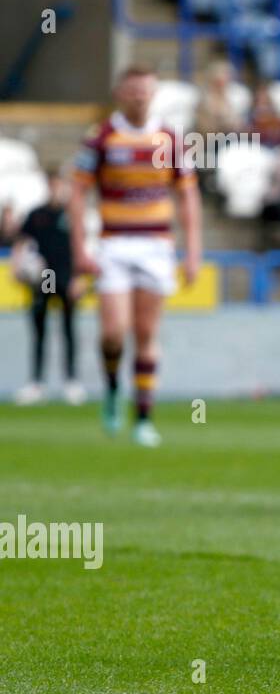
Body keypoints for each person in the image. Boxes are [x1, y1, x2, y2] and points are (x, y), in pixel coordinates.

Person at [68, 65, 202, 448]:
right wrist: (81, 248)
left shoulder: (170, 139)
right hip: (114, 244)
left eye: (145, 91)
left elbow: (188, 196)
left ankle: (143, 418)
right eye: (133, 91)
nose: (140, 97)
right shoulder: (102, 138)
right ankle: (112, 388)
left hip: (157, 246)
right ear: (120, 94)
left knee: (146, 333)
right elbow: (77, 194)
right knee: (113, 333)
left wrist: (192, 252)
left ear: (154, 94)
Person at [11, 175, 84, 406]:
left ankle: (71, 382)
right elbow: (21, 243)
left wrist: (79, 277)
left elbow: (82, 246)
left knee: (69, 329)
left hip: (66, 277)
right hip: (43, 279)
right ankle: (37, 383)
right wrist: (18, 266)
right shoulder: (36, 215)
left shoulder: (71, 215)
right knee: (40, 330)